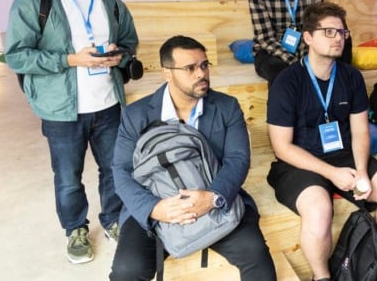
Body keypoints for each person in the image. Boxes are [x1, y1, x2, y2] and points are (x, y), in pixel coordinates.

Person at [5, 0, 138, 264]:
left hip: (108, 104)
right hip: (61, 110)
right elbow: (17, 56)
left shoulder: (110, 1)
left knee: (115, 169)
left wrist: (119, 55)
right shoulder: (33, 3)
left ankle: (113, 219)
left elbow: (129, 41)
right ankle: (76, 229)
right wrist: (70, 60)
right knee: (68, 178)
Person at [109, 35, 276, 280]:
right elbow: (121, 171)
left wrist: (212, 197)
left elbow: (237, 159)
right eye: (190, 68)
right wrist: (154, 208)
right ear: (167, 73)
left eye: (204, 65)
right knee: (127, 270)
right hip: (157, 202)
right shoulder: (136, 114)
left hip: (214, 196)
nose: (201, 74)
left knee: (256, 255)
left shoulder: (227, 106)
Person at [266, 1, 377, 281]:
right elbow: (282, 147)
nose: (338, 38)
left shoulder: (351, 76)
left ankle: (364, 270)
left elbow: (360, 131)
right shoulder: (287, 81)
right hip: (299, 161)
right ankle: (322, 277)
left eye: (342, 32)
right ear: (308, 37)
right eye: (328, 32)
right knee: (319, 210)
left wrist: (362, 171)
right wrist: (331, 173)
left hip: (344, 154)